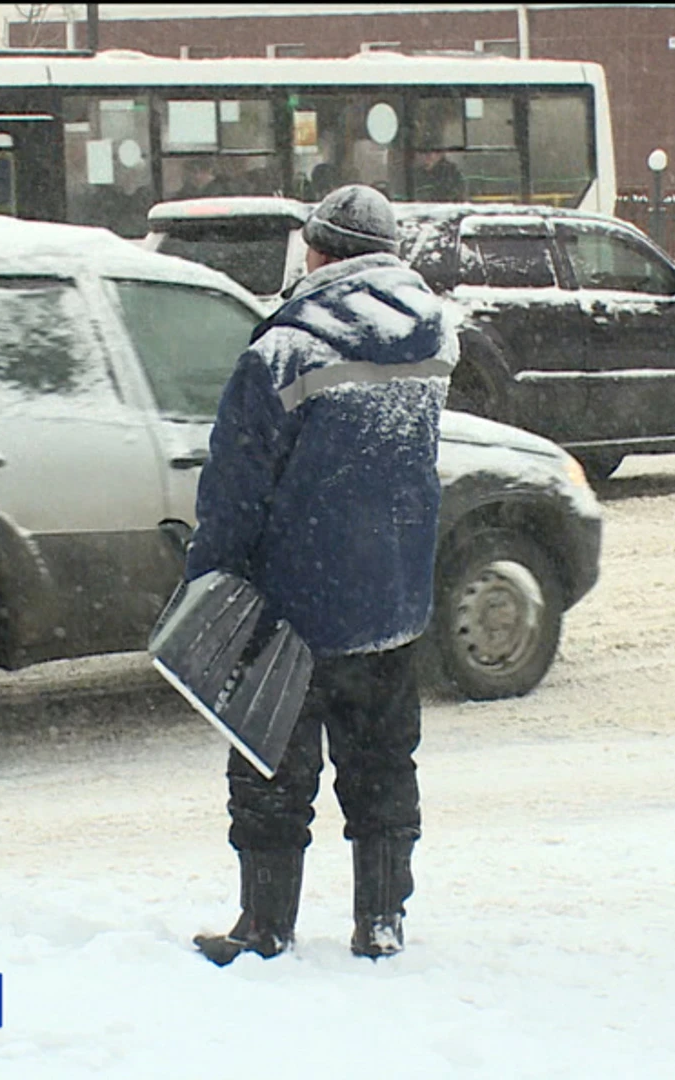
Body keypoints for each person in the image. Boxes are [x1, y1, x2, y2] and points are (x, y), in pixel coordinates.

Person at [187, 184, 457, 966]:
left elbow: (236, 484)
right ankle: (381, 920)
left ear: (320, 251)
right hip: (393, 597)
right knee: (381, 767)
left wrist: (212, 577)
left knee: (273, 770)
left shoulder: (285, 350)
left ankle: (264, 925)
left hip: (296, 605)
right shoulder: (433, 337)